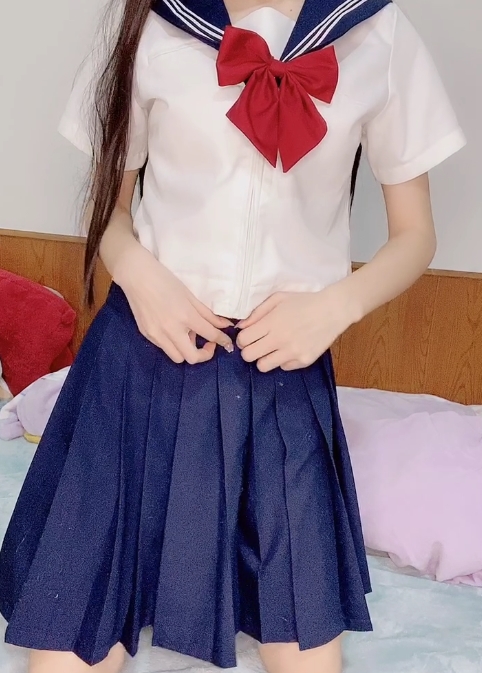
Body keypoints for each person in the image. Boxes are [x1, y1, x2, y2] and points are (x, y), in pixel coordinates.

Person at [0, 0, 466, 672]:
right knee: (69, 651)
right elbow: (109, 205)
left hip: (282, 371)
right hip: (140, 358)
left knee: (308, 653)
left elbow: (416, 234)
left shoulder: (378, 33)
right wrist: (140, 277)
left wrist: (334, 308)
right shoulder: (150, 20)